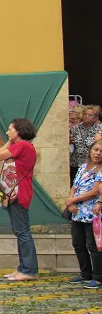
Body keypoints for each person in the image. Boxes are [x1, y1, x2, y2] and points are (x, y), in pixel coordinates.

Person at [0, 119, 39, 281]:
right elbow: (6, 152)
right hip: (14, 192)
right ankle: (23, 267)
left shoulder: (23, 145)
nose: (8, 132)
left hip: (19, 192)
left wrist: (8, 140)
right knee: (20, 231)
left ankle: (29, 270)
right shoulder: (21, 146)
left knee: (23, 232)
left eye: (10, 130)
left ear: (19, 131)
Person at [67, 141, 102, 288]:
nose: (97, 153)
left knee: (93, 245)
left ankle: (98, 277)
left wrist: (73, 199)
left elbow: (94, 191)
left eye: (101, 151)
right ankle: (85, 273)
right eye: (95, 149)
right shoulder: (82, 167)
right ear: (90, 151)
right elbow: (74, 186)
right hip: (77, 213)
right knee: (78, 243)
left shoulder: (100, 170)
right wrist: (72, 202)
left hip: (92, 213)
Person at [73, 105, 101, 183]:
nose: (86, 116)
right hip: (76, 163)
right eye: (85, 114)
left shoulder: (98, 131)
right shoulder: (75, 129)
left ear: (95, 118)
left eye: (90, 115)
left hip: (91, 163)